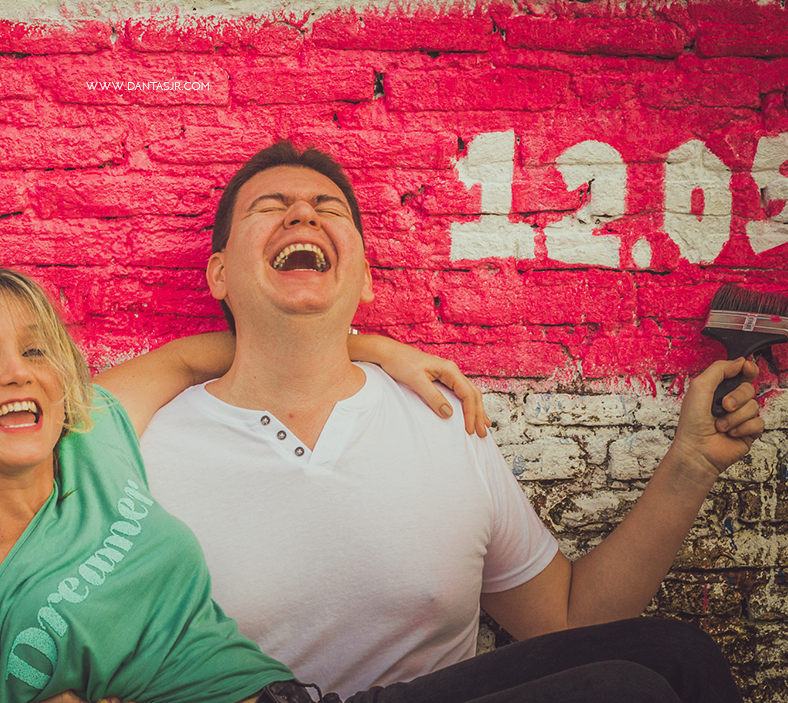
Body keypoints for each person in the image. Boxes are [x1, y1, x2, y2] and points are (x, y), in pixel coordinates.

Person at [0, 260, 749, 703]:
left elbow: (208, 351)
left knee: (675, 652)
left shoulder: (93, 434)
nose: (20, 375)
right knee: (625, 694)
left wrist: (377, 348)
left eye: (35, 351)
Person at [139, 141, 766, 698]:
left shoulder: (442, 415)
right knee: (628, 690)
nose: (302, 215)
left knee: (679, 655)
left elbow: (568, 623)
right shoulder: (147, 443)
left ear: (364, 281)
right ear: (219, 273)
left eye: (329, 210)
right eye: (269, 206)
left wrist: (691, 464)